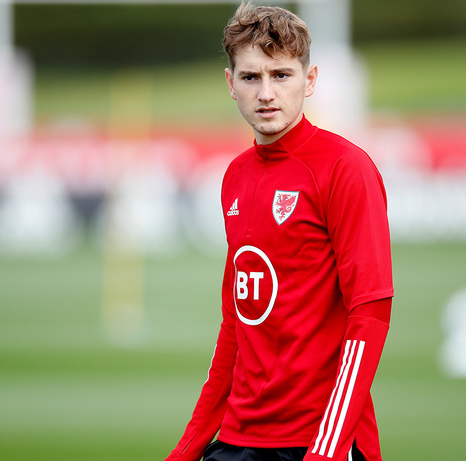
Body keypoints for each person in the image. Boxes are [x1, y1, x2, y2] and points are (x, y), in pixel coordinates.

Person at [166, 3, 393, 460]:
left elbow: (370, 311)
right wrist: (187, 448)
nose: (266, 93)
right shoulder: (235, 176)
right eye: (251, 77)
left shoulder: (345, 168)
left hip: (319, 440)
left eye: (281, 75)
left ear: (309, 80)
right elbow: (237, 324)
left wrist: (327, 448)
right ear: (231, 83)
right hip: (239, 438)